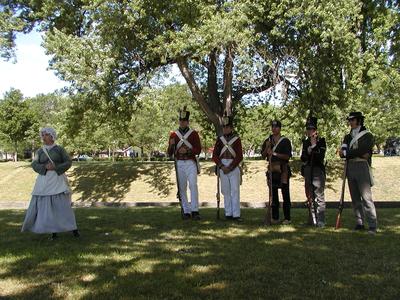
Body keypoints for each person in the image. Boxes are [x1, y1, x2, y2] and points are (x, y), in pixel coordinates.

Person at [21, 127, 79, 240]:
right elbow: (34, 164)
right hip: (44, 181)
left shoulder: (59, 149)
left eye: (46, 135)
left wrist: (56, 167)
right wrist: (44, 167)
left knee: (62, 206)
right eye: (42, 135)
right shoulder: (40, 151)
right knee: (48, 206)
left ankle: (74, 229)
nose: (43, 137)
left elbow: (68, 162)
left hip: (57, 180)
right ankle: (53, 232)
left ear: (52, 136)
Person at [339, 112, 377, 234]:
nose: (350, 122)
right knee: (355, 198)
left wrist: (348, 153)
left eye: (352, 120)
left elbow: (364, 150)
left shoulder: (367, 135)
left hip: (362, 166)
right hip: (350, 166)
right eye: (349, 120)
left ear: (359, 120)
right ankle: (359, 223)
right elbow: (342, 151)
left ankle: (372, 225)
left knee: (366, 197)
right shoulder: (347, 136)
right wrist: (349, 152)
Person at [167, 107, 202, 220]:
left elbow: (198, 150)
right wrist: (171, 145)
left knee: (193, 186)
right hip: (179, 163)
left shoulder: (193, 134)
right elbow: (169, 153)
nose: (182, 122)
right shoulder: (173, 135)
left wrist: (188, 150)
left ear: (187, 122)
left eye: (184, 121)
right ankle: (186, 211)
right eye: (181, 121)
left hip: (191, 162)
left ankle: (195, 210)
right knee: (182, 188)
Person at [212, 113, 244, 221]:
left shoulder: (236, 139)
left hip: (233, 166)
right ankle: (228, 213)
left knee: (235, 191)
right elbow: (215, 156)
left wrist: (230, 167)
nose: (225, 129)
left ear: (231, 128)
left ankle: (236, 214)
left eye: (227, 127)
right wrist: (221, 166)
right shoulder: (220, 139)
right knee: (225, 191)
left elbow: (239, 156)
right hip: (222, 166)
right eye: (224, 127)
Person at [261, 120, 292, 224]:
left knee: (285, 194)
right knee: (273, 195)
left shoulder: (285, 141)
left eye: (276, 127)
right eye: (273, 127)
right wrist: (267, 147)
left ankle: (287, 218)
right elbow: (263, 155)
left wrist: (274, 153)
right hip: (272, 170)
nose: (274, 129)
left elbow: (287, 156)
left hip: (283, 170)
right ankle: (275, 217)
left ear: (280, 128)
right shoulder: (268, 140)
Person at [300, 117, 327, 227]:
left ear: (316, 130)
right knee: (309, 195)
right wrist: (308, 151)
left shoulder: (322, 141)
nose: (310, 131)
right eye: (308, 129)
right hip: (308, 169)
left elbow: (320, 157)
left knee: (319, 196)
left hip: (317, 170)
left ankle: (321, 220)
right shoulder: (305, 142)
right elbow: (303, 157)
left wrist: (314, 146)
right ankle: (312, 219)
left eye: (312, 129)